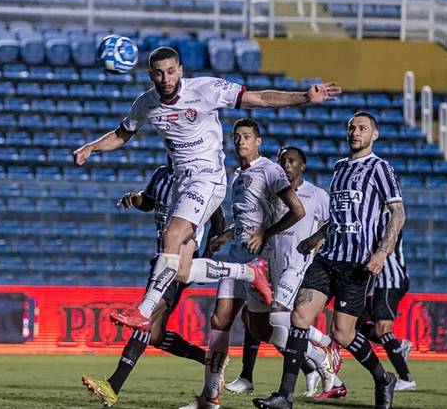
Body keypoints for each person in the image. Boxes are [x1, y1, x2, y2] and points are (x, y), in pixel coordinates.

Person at [73, 46, 341, 332]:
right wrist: (92, 147)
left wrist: (304, 97)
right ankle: (250, 272)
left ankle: (143, 310)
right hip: (181, 181)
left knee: (171, 235)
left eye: (171, 71)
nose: (166, 78)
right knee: (183, 269)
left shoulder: (205, 89)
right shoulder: (145, 103)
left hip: (207, 178)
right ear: (151, 74)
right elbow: (121, 134)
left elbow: (260, 98)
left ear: (181, 70)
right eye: (159, 73)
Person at [253, 111, 405, 409]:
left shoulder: (380, 168)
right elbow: (337, 217)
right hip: (327, 258)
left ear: (374, 135)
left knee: (342, 333)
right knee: (298, 317)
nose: (355, 132)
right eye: (351, 127)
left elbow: (398, 213)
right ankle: (285, 396)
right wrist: (317, 237)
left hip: (357, 264)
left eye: (362, 128)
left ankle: (382, 378)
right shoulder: (339, 168)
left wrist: (382, 253)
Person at [179, 119, 308, 409]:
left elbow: (297, 211)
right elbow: (245, 221)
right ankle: (209, 398)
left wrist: (265, 233)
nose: (240, 142)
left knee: (262, 330)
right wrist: (223, 237)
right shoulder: (238, 174)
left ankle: (316, 352)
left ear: (258, 141)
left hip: (260, 259)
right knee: (219, 319)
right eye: (237, 137)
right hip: (236, 256)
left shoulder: (271, 170)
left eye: (247, 137)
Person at [82, 159, 226, 407]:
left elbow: (218, 220)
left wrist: (204, 259)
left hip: (178, 262)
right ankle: (210, 360)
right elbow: (148, 202)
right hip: (160, 257)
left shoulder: (198, 180)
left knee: (145, 317)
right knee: (156, 334)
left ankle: (113, 386)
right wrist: (135, 199)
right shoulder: (161, 175)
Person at [226, 146, 346, 400]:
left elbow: (334, 223)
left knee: (280, 315)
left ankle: (323, 344)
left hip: (298, 263)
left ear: (303, 166)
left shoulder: (316, 195)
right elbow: (253, 223)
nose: (286, 165)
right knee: (259, 325)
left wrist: (315, 239)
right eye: (282, 161)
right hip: (270, 260)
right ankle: (316, 361)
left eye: (292, 161)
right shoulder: (272, 193)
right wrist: (224, 236)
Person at [357, 227, 416, 392]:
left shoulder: (387, 215)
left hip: (389, 279)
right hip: (379, 280)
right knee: (353, 324)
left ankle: (406, 378)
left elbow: (386, 243)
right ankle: (398, 345)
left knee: (383, 329)